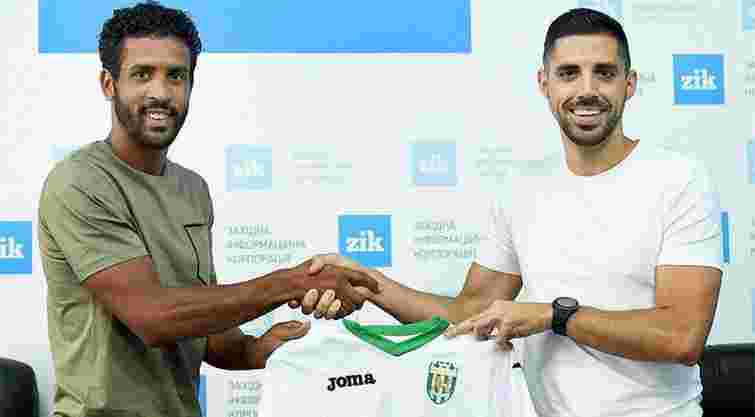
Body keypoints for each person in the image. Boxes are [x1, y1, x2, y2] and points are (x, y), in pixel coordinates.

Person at [303, 8, 722, 417]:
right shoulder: (520, 190)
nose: (587, 89)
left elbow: (681, 337)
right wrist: (368, 283)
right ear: (544, 84)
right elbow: (468, 313)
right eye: (569, 73)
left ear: (629, 85)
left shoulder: (679, 179)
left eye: (604, 73)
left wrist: (554, 316)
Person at [37, 2, 378, 416]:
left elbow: (203, 331)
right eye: (142, 74)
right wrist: (290, 283)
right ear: (109, 84)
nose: (161, 92)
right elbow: (154, 317)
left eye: (175, 75)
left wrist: (257, 349)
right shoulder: (80, 182)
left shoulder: (192, 189)